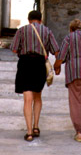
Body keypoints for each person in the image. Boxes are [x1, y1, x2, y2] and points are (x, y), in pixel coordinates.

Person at [10, 10, 59, 142]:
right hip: (39, 64)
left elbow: (14, 49)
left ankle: (29, 132)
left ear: (29, 20)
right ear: (41, 20)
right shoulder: (47, 31)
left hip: (25, 63)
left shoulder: (22, 30)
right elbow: (55, 49)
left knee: (28, 99)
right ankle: (36, 126)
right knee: (38, 96)